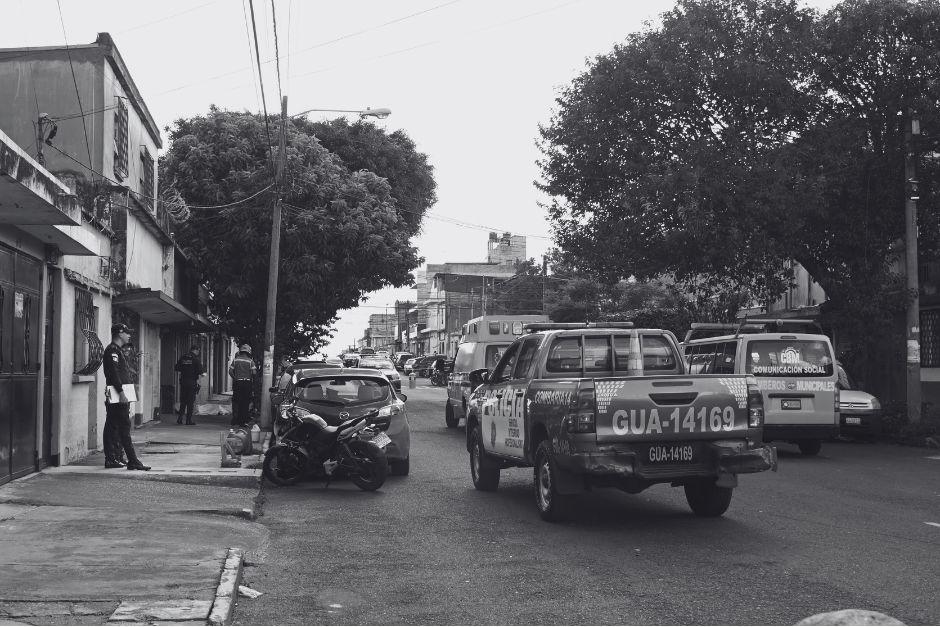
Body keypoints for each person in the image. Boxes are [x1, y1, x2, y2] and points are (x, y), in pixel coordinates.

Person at [102, 323, 150, 471]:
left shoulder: (117, 350)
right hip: (118, 395)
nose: (129, 335)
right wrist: (121, 392)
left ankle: (114, 458)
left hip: (120, 394)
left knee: (113, 426)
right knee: (123, 427)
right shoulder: (112, 351)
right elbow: (113, 374)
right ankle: (132, 461)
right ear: (119, 333)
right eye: (127, 332)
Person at [175, 344, 206, 425]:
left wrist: (185, 370)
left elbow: (177, 368)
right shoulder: (195, 359)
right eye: (198, 351)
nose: (198, 352)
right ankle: (188, 420)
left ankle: (180, 418)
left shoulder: (183, 357)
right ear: (195, 350)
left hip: (183, 382)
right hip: (192, 382)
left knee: (183, 401)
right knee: (190, 401)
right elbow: (200, 371)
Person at [229, 343, 257, 427]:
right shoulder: (250, 361)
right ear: (248, 352)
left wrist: (235, 378)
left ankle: (235, 420)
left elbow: (230, 371)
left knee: (236, 401)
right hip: (247, 383)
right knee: (245, 403)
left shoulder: (235, 360)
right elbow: (254, 372)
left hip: (237, 383)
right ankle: (243, 422)